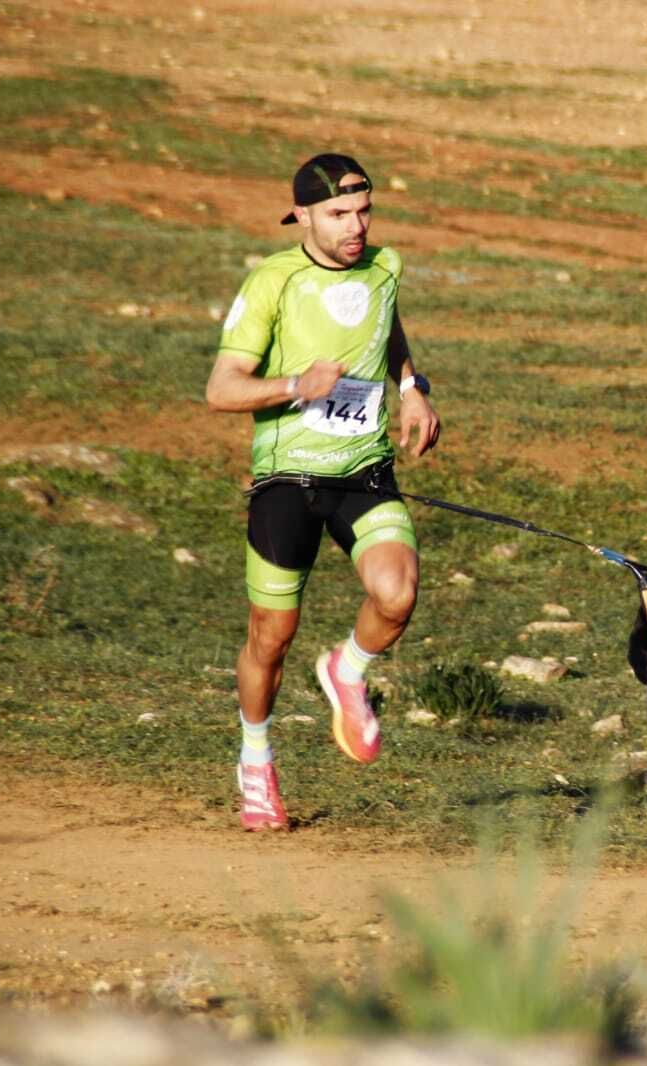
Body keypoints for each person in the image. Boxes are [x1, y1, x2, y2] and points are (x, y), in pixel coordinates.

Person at [205, 152, 440, 831]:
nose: (355, 227)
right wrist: (292, 387)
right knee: (270, 638)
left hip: (364, 473)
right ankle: (256, 764)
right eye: (338, 214)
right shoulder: (274, 282)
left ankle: (347, 668)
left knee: (397, 594)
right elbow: (221, 389)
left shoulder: (384, 268)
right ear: (302, 214)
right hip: (289, 480)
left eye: (363, 211)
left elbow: (386, 327)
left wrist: (412, 390)